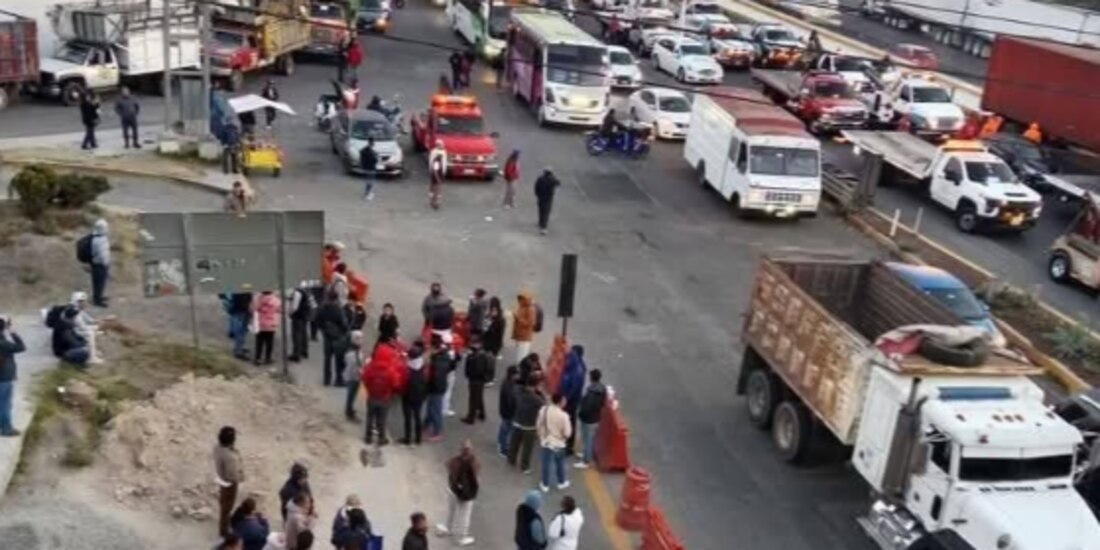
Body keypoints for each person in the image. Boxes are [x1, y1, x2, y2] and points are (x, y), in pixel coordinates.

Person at [437, 440, 479, 546]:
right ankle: (462, 537)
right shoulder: (474, 462)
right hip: (467, 493)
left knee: (451, 510)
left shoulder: (455, 461)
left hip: (453, 490)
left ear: (460, 450)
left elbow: (447, 465)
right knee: (465, 515)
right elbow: (477, 473)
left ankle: (448, 527)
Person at [363, 334, 403, 445]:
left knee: (370, 417)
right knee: (382, 419)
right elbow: (396, 384)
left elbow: (365, 379)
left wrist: (369, 389)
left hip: (372, 396)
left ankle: (368, 437)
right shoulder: (390, 371)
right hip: (385, 398)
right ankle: (381, 438)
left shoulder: (371, 367)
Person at [537, 393, 572, 492]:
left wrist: (541, 436)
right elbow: (568, 433)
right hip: (559, 443)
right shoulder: (564, 416)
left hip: (546, 441)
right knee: (560, 463)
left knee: (546, 464)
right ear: (561, 402)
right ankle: (561, 482)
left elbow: (538, 424)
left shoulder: (544, 410)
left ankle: (545, 484)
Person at [214, 426, 245, 538]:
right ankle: (224, 532)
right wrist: (239, 478)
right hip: (229, 484)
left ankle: (224, 526)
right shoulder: (230, 457)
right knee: (227, 507)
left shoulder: (217, 448)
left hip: (221, 479)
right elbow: (232, 475)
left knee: (224, 504)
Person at [315, 289, 351, 387]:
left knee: (327, 359)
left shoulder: (322, 308)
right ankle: (338, 380)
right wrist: (345, 333)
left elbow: (317, 321)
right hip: (338, 337)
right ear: (336, 298)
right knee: (338, 359)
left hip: (327, 337)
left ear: (327, 297)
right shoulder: (339, 309)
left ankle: (327, 380)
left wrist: (324, 330)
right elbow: (344, 324)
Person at [509, 378, 544, 473]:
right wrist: (540, 393)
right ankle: (524, 466)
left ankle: (511, 459)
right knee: (527, 448)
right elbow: (543, 407)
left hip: (517, 421)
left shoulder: (518, 392)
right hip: (529, 426)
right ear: (535, 386)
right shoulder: (536, 399)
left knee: (514, 443)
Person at [574, 369, 607, 469]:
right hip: (596, 417)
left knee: (587, 440)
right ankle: (586, 454)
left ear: (591, 377)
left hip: (588, 419)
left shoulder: (592, 391)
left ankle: (586, 461)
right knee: (589, 439)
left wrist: (580, 414)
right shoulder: (602, 389)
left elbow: (586, 406)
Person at [0, 317, 26, 437]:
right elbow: (21, 347)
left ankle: (3, 424)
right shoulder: (3, 343)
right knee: (5, 404)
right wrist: (13, 332)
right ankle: (6, 429)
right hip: (4, 378)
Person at [558, 346, 587, 455]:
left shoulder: (578, 370)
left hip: (571, 401)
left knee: (570, 421)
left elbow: (574, 387)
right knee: (565, 419)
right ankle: (563, 439)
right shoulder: (572, 365)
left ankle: (569, 446)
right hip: (566, 398)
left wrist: (565, 398)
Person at [424, 335, 451, 442]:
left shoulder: (438, 360)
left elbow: (436, 376)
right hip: (436, 386)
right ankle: (426, 424)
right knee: (431, 407)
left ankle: (437, 431)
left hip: (436, 388)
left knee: (435, 409)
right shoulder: (442, 356)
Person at [400, 342, 428, 445]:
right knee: (417, 416)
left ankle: (407, 439)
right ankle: (418, 439)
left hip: (408, 396)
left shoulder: (408, 369)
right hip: (419, 396)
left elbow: (402, 382)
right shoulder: (422, 366)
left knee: (408, 418)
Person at [461, 338, 494, 424]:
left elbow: (476, 370)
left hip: (475, 380)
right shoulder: (483, 355)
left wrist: (470, 358)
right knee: (478, 396)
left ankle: (471, 417)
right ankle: (482, 414)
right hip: (480, 380)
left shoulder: (477, 357)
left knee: (473, 398)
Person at [69, 291, 103, 364]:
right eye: (82, 301)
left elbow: (88, 319)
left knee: (96, 330)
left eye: (84, 301)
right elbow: (82, 327)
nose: (85, 303)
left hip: (79, 329)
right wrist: (95, 328)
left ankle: (94, 351)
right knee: (91, 334)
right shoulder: (74, 312)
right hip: (74, 331)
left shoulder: (79, 310)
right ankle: (92, 357)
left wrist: (97, 322)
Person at [252, 290, 281, 365]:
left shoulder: (258, 299)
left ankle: (257, 358)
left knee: (259, 342)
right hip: (271, 324)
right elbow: (279, 310)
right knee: (270, 342)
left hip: (261, 323)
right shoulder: (276, 300)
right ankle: (268, 358)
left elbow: (254, 309)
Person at [288, 281, 315, 362]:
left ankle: (296, 355)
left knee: (296, 336)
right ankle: (304, 352)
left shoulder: (297, 292)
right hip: (305, 315)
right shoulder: (306, 291)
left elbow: (294, 307)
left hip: (298, 316)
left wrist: (290, 313)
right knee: (304, 334)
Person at [343, 330, 366, 421]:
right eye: (360, 339)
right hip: (353, 378)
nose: (362, 340)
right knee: (351, 395)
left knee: (351, 395)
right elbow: (355, 366)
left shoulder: (352, 350)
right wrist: (361, 371)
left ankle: (349, 409)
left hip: (351, 376)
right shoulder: (354, 353)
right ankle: (349, 412)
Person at [497, 365, 519, 457]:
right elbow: (511, 401)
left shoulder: (506, 382)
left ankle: (500, 442)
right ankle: (503, 449)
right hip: (509, 412)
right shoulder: (510, 386)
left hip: (504, 410)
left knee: (503, 428)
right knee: (507, 430)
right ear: (513, 375)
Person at [89, 218, 111, 307]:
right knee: (99, 283)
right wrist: (106, 262)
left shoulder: (95, 237)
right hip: (100, 264)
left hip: (96, 263)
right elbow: (102, 254)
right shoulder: (100, 240)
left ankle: (98, 296)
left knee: (98, 282)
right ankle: (97, 300)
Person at [512, 291, 537, 364]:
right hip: (519, 335)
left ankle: (521, 369)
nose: (520, 301)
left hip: (525, 336)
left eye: (522, 299)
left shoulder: (531, 310)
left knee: (522, 356)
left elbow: (530, 323)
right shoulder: (521, 307)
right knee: (518, 354)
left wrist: (518, 318)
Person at [226, 293, 253, 360]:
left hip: (236, 309)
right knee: (241, 332)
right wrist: (249, 311)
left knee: (240, 331)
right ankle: (238, 351)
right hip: (242, 311)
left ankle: (239, 348)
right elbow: (244, 301)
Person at [534, 169, 561, 235]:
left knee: (541, 210)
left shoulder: (540, 179)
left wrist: (537, 195)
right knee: (546, 212)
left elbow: (536, 187)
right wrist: (554, 177)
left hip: (540, 197)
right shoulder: (552, 180)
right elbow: (558, 183)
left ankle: (540, 222)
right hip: (548, 199)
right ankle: (544, 228)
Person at [429, 140, 446, 210]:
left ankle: (433, 201)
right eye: (441, 145)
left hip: (439, 173)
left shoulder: (442, 152)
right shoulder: (437, 157)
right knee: (437, 189)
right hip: (437, 175)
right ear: (438, 145)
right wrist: (438, 178)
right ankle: (435, 203)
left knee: (434, 188)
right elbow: (435, 170)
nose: (443, 146)